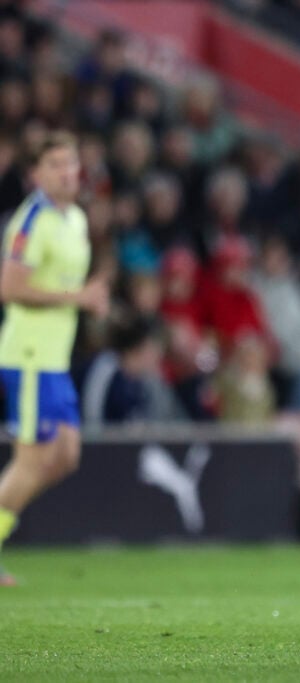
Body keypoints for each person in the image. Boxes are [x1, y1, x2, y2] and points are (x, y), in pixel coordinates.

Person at [0, 131, 109, 585]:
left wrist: (88, 299)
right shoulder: (31, 222)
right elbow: (9, 288)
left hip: (55, 360)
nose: (68, 172)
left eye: (71, 163)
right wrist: (79, 296)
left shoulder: (76, 219)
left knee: (65, 457)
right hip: (27, 356)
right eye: (56, 165)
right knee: (32, 461)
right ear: (35, 175)